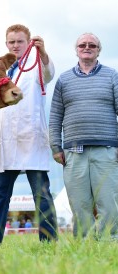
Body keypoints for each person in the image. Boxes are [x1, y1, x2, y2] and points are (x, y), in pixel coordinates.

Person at [0, 24, 58, 246]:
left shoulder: (36, 66)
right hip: (7, 142)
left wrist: (42, 53)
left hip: (31, 138)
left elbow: (49, 72)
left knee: (42, 195)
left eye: (20, 41)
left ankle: (49, 241)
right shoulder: (0, 71)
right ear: (6, 44)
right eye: (11, 42)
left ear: (29, 42)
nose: (15, 45)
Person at [49, 32, 118, 239]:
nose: (86, 47)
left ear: (98, 50)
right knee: (79, 203)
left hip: (106, 150)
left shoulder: (112, 75)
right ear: (76, 50)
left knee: (108, 201)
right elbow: (55, 115)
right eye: (82, 45)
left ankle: (110, 243)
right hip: (73, 152)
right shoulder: (64, 79)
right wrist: (55, 147)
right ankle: (85, 245)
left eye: (92, 45)